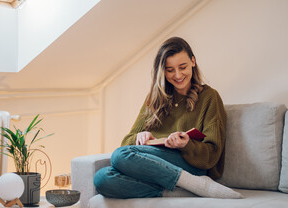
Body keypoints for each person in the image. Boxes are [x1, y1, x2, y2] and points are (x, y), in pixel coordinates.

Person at [93, 37, 242, 199]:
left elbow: (213, 154)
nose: (177, 75)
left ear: (193, 61)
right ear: (162, 71)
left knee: (119, 156)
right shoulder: (154, 99)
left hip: (191, 164)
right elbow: (126, 142)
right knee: (102, 178)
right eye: (170, 70)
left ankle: (197, 183)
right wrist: (138, 137)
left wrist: (186, 144)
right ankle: (176, 190)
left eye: (182, 67)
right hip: (154, 164)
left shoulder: (209, 97)